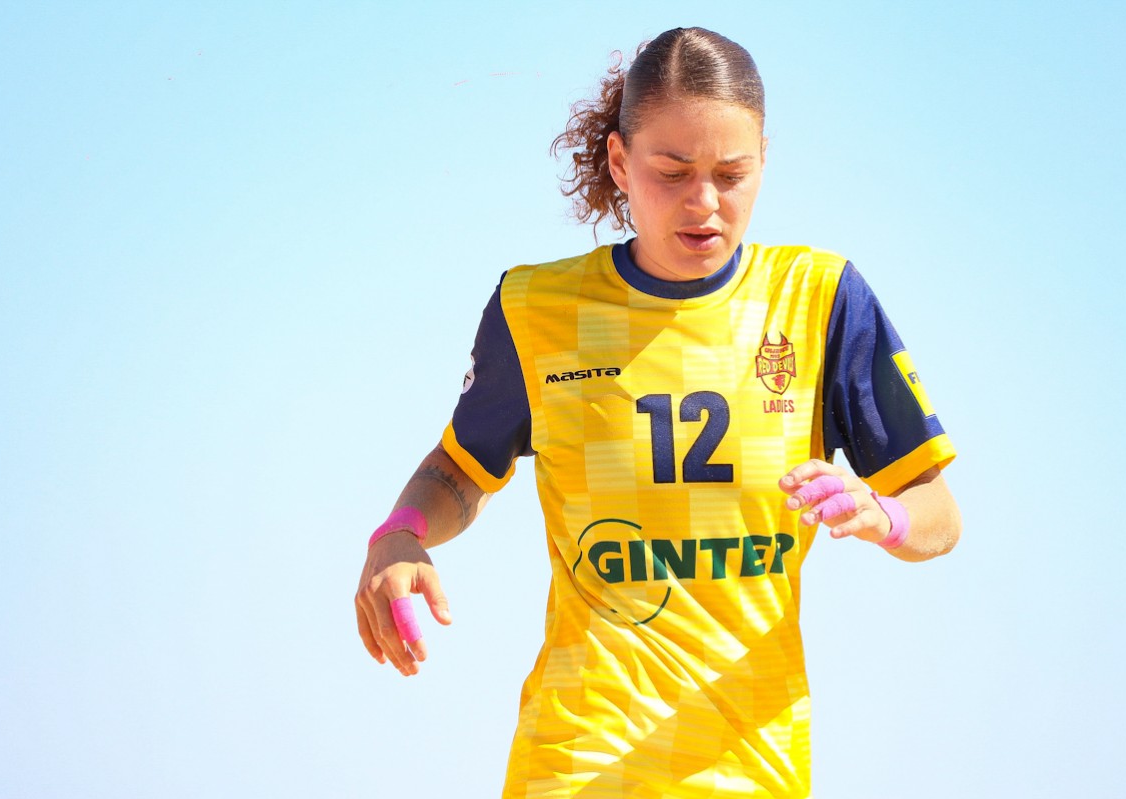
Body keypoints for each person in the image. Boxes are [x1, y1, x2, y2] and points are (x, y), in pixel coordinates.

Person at [354, 26, 961, 799]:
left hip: (752, 766)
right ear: (619, 162)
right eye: (672, 172)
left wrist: (885, 514)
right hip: (575, 761)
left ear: (764, 160)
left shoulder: (822, 300)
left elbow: (940, 512)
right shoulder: (535, 309)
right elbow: (458, 468)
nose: (704, 202)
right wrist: (400, 531)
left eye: (731, 174)